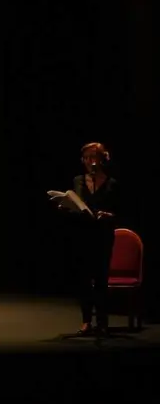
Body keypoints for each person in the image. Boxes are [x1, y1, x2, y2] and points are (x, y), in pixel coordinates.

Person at [67, 142, 120, 337]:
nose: (91, 162)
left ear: (103, 159)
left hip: (102, 235)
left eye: (94, 157)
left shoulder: (111, 183)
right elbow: (78, 204)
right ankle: (86, 321)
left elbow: (119, 211)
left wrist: (108, 215)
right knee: (83, 280)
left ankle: (102, 322)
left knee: (100, 280)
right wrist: (67, 207)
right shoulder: (78, 180)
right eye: (87, 158)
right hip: (82, 235)